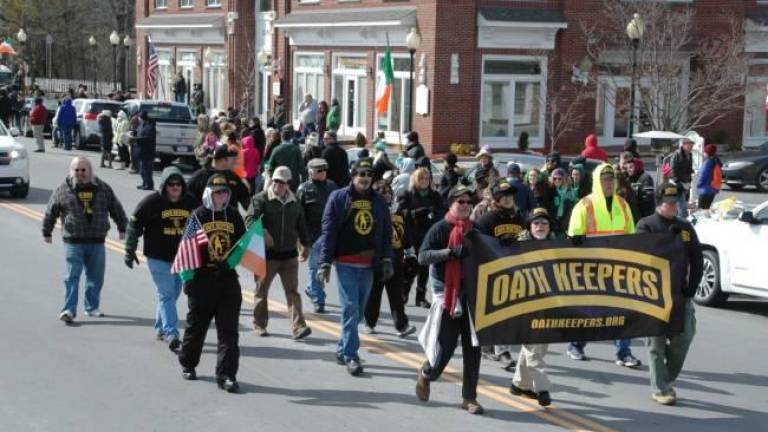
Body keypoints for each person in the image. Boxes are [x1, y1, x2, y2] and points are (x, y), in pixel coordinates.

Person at [317, 157, 394, 376]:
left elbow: (387, 232)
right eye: (361, 174)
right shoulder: (339, 198)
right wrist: (324, 262)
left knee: (358, 312)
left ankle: (342, 349)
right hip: (346, 263)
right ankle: (352, 355)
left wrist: (387, 259)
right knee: (350, 308)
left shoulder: (379, 201)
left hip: (369, 264)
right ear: (353, 176)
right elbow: (328, 232)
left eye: (369, 175)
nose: (366, 178)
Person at [415, 185, 483, 415]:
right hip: (447, 293)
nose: (465, 205)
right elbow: (423, 256)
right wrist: (449, 253)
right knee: (445, 347)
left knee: (473, 347)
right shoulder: (440, 227)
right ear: (451, 203)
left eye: (468, 202)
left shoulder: (476, 230)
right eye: (460, 201)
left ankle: (469, 397)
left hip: (473, 294)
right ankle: (427, 373)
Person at [566, 163, 640, 367]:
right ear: (597, 182)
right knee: (590, 311)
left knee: (623, 310)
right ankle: (576, 345)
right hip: (591, 268)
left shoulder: (623, 205)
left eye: (611, 179)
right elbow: (573, 239)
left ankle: (624, 352)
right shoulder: (584, 205)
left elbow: (631, 236)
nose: (608, 183)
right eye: (604, 180)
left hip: (618, 268)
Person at [178, 174, 246, 393]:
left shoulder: (234, 216)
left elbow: (242, 245)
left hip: (227, 280)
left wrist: (231, 262)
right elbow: (186, 249)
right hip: (201, 280)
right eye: (217, 192)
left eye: (225, 192)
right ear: (209, 193)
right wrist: (188, 279)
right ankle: (188, 363)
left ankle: (227, 375)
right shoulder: (198, 216)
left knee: (229, 331)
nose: (221, 195)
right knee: (196, 327)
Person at [637, 182, 703, 405]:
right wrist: (666, 240)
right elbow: (642, 256)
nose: (674, 207)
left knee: (684, 337)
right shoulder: (646, 225)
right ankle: (660, 388)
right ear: (659, 203)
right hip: (654, 295)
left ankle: (665, 377)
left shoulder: (684, 227)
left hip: (680, 294)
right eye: (669, 203)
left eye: (676, 203)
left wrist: (692, 286)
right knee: (655, 344)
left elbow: (697, 257)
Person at [42, 157, 128, 323]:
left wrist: (122, 227)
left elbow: (116, 208)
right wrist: (47, 231)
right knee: (72, 277)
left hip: (97, 241)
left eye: (83, 170)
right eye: (77, 170)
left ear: (90, 171)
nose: (80, 173)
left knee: (95, 277)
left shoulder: (103, 188)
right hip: (73, 242)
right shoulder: (63, 190)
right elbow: (50, 211)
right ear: (71, 171)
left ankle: (92, 307)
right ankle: (68, 310)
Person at [124, 167, 196, 351]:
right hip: (157, 257)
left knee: (173, 294)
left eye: (178, 183)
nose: (175, 187)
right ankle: (172, 333)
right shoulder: (151, 202)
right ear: (164, 185)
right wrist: (130, 249)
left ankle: (161, 328)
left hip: (183, 257)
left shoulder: (190, 202)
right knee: (166, 294)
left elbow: (202, 224)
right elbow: (134, 225)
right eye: (171, 184)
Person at [245, 166, 312, 339]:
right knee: (261, 291)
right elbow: (250, 219)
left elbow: (301, 224)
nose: (278, 185)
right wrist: (262, 230)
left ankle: (299, 327)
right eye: (275, 181)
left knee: (293, 292)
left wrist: (305, 244)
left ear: (288, 184)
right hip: (267, 256)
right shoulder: (261, 199)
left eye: (282, 182)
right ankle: (259, 324)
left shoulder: (295, 202)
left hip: (289, 255)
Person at [509, 207, 555, 407]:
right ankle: (542, 388)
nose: (540, 226)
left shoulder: (557, 244)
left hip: (548, 302)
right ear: (529, 226)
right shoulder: (519, 245)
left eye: (544, 223)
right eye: (536, 223)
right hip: (524, 302)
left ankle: (520, 384)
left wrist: (578, 243)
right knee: (534, 346)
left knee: (540, 345)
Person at [364, 182, 417, 337]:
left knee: (396, 295)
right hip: (376, 258)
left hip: (396, 258)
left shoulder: (400, 212)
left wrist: (411, 253)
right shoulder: (371, 210)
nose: (386, 194)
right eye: (382, 192)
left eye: (388, 191)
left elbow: (406, 235)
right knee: (374, 294)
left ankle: (402, 326)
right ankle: (369, 322)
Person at [397, 167, 445, 308]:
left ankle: (421, 297)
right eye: (421, 178)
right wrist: (416, 212)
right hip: (412, 234)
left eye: (426, 178)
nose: (424, 181)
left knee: (424, 266)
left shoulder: (435, 195)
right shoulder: (407, 194)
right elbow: (401, 212)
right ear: (415, 179)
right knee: (411, 266)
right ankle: (404, 293)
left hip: (428, 234)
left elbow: (441, 212)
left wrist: (434, 214)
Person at [297, 158, 338, 313]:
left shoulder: (332, 187)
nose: (323, 173)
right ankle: (318, 300)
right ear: (310, 172)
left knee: (326, 267)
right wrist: (302, 240)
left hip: (331, 235)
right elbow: (298, 216)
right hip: (312, 237)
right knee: (315, 268)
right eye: (319, 170)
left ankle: (312, 288)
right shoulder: (304, 189)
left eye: (324, 170)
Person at [187, 144, 251, 210]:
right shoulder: (199, 176)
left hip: (229, 218)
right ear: (224, 159)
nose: (236, 162)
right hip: (206, 218)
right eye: (233, 158)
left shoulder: (232, 176)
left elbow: (245, 199)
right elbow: (185, 198)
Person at [269, 125, 306, 192]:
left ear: (281, 137)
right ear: (291, 137)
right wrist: (303, 181)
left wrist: (273, 178)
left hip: (280, 180)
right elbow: (301, 167)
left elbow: (270, 166)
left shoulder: (276, 149)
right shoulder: (296, 149)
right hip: (293, 180)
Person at [670, 138, 694, 218]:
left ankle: (677, 219)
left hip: (686, 182)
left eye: (692, 145)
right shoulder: (676, 154)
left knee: (683, 203)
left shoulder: (690, 154)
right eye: (689, 145)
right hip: (679, 183)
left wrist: (690, 175)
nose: (691, 147)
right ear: (683, 145)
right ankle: (683, 221)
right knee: (682, 206)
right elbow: (673, 169)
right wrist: (677, 181)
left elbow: (689, 167)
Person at [550, 168, 577, 239]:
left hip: (565, 222)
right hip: (554, 221)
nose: (557, 180)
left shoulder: (571, 191)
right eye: (555, 178)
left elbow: (572, 206)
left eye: (560, 178)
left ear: (564, 179)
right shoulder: (551, 191)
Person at [132, 111, 157, 190]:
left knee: (147, 170)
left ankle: (149, 185)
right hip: (141, 151)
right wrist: (133, 133)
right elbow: (138, 132)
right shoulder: (141, 125)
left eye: (139, 118)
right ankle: (144, 183)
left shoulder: (150, 127)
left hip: (148, 152)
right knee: (142, 170)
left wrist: (136, 139)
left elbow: (148, 138)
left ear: (142, 118)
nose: (138, 119)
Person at [696, 144, 722, 211]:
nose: (703, 153)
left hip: (705, 189)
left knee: (700, 211)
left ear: (708, 152)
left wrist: (698, 185)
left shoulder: (708, 162)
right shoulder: (716, 161)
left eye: (705, 151)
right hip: (713, 189)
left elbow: (703, 175)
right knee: (706, 209)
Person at [242, 129, 261, 195]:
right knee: (253, 183)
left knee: (246, 184)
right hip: (253, 171)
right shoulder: (256, 150)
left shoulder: (243, 152)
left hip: (245, 172)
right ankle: (252, 194)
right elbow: (258, 160)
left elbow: (242, 163)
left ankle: (247, 194)